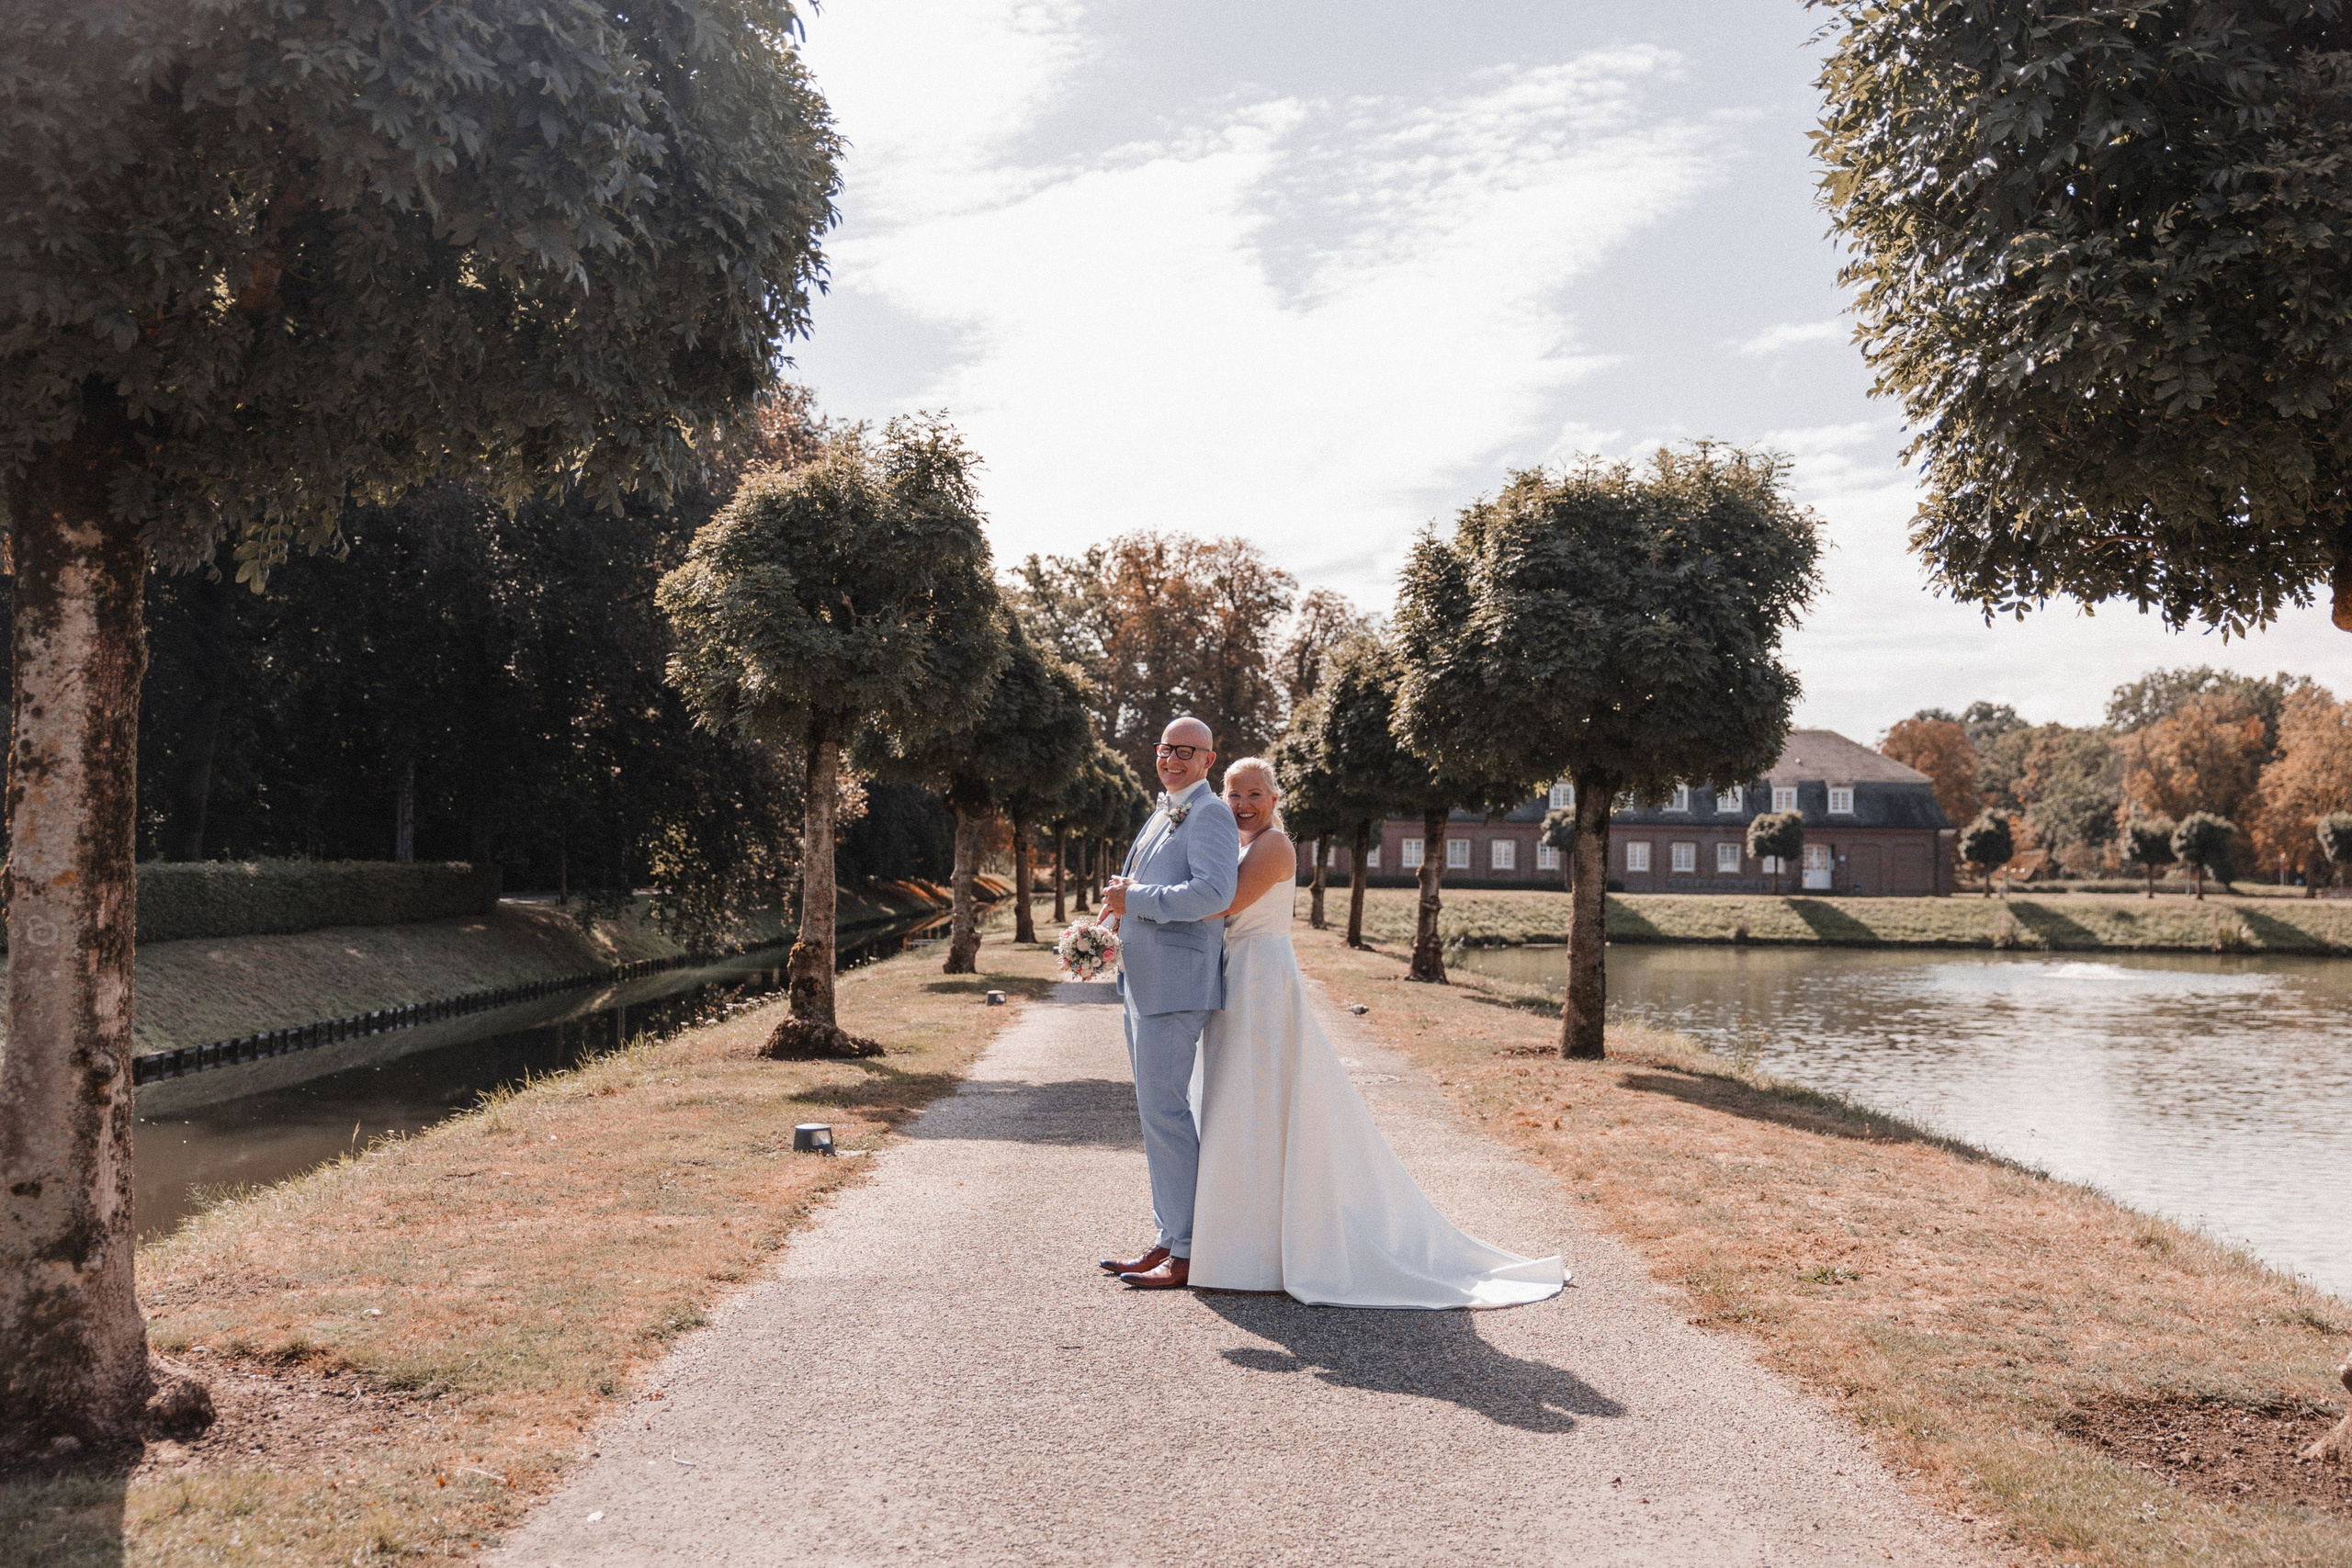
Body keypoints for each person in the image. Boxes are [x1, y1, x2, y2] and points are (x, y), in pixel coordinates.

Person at [1186, 757, 1564, 1308]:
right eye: (1232, 794)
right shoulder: (1238, 843)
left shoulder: (1274, 847)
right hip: (1233, 973)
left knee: (1262, 1095)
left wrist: (1148, 903)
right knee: (1233, 1099)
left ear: (1273, 798)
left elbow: (1221, 904)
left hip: (1261, 978)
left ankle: (1269, 1246)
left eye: (1252, 794)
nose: (1241, 804)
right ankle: (1239, 1239)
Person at [1095, 716, 1239, 1291]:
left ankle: (1187, 1251)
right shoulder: (1165, 809)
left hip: (1178, 984)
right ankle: (1169, 1235)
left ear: (1209, 760)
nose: (1173, 758)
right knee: (1156, 1114)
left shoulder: (1209, 814)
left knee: (1166, 1112)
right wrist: (1102, 927)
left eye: (1187, 751)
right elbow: (1130, 889)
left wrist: (1137, 899)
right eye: (1165, 749)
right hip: (1143, 979)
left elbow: (1214, 894)